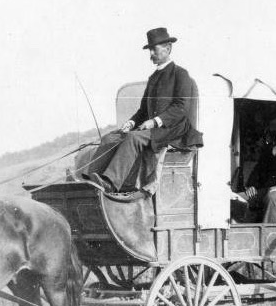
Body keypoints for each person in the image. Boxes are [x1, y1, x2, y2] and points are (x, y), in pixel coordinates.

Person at [83, 28, 202, 194]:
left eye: (154, 49)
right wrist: (131, 123)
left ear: (168, 48)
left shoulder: (181, 74)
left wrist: (154, 121)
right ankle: (89, 180)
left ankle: (110, 183)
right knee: (110, 137)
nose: (151, 54)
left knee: (133, 138)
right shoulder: (153, 78)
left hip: (173, 129)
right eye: (150, 50)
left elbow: (181, 107)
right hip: (154, 129)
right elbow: (143, 110)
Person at [241, 116, 276, 223]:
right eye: (272, 126)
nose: (275, 130)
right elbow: (258, 169)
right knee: (239, 197)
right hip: (266, 188)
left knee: (272, 197)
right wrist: (251, 185)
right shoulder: (268, 149)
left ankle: (265, 234)